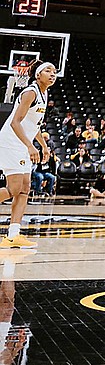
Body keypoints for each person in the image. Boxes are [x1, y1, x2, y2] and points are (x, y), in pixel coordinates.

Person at [0, 60, 54, 249]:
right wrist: (30, 147)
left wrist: (44, 146)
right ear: (38, 75)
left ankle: (13, 235)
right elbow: (16, 122)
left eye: (54, 71)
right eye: (48, 70)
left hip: (22, 144)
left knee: (24, 189)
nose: (52, 74)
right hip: (11, 142)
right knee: (14, 189)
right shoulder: (30, 92)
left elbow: (33, 126)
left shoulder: (44, 94)